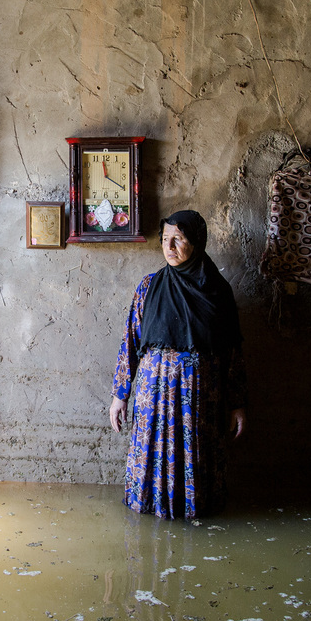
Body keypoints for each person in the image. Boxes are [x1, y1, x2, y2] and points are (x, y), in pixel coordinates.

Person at [108, 210, 247, 520]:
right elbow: (130, 341)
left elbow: (232, 352)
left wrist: (237, 403)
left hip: (198, 396)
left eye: (178, 240)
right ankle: (152, 507)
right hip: (152, 394)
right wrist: (120, 394)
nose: (169, 247)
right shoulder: (149, 287)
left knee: (193, 452)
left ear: (196, 243)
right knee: (153, 454)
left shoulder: (218, 292)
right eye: (165, 240)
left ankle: (193, 509)